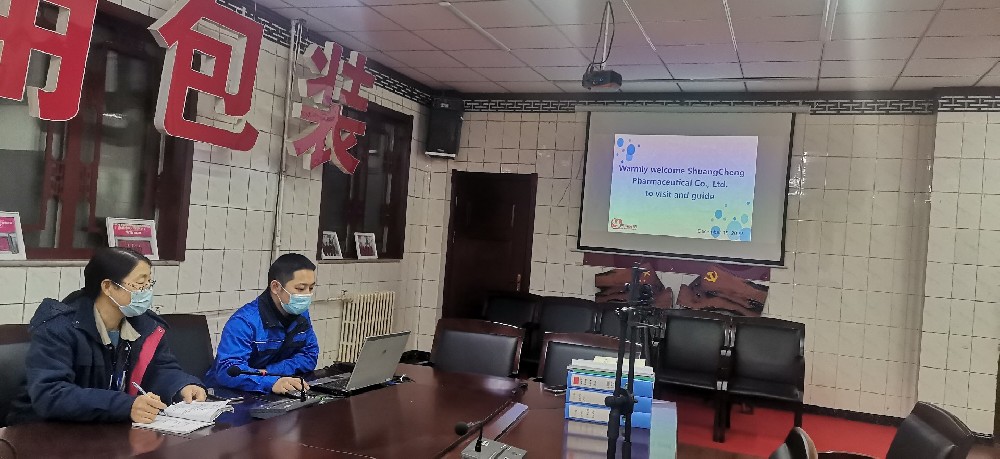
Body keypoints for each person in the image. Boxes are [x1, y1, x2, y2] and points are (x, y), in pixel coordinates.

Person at [6, 248, 206, 426]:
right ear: (108, 286)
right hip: (44, 431)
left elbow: (160, 368)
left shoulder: (146, 326)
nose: (147, 291)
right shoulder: (59, 328)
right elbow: (50, 394)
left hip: (107, 426)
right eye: (140, 284)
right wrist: (125, 405)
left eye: (149, 283)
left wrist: (182, 385)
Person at [204, 253, 319, 394]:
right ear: (276, 287)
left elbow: (309, 355)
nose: (307, 295)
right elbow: (228, 371)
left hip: (276, 389)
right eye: (300, 289)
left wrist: (270, 372)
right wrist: (270, 381)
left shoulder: (301, 315)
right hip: (230, 394)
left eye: (311, 288)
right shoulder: (244, 321)